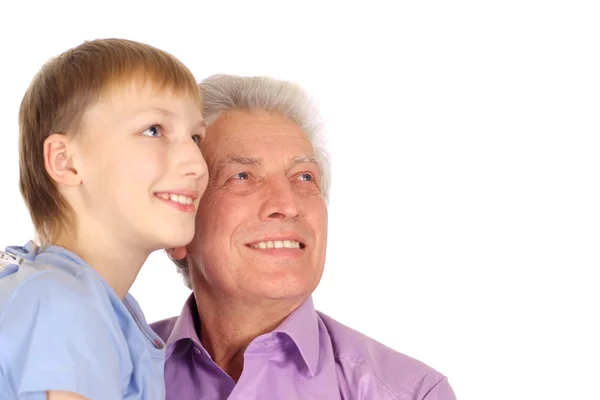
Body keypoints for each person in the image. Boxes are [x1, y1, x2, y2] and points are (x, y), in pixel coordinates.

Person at [151, 74, 457, 399]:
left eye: (304, 177)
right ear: (177, 227)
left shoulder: (412, 393)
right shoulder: (112, 373)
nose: (287, 204)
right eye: (242, 176)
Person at [0, 38, 208, 400]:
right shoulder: (64, 303)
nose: (196, 163)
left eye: (195, 137)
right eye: (154, 130)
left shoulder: (89, 300)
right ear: (65, 161)